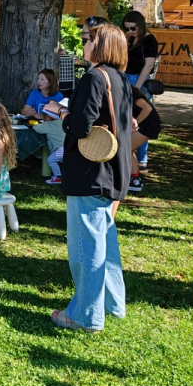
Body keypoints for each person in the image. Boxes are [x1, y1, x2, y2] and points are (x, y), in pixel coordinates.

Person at [45, 20, 132, 332]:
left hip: (90, 172)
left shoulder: (95, 77)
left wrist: (61, 112)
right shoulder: (119, 78)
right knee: (104, 240)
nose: (83, 44)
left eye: (87, 39)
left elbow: (81, 126)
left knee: (86, 247)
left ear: (101, 45)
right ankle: (112, 304)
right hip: (112, 170)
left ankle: (85, 315)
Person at [123, 10, 159, 168]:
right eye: (127, 28)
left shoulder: (149, 40)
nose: (130, 31)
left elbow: (148, 65)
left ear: (141, 25)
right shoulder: (130, 38)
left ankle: (142, 158)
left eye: (133, 28)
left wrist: (138, 85)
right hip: (126, 77)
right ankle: (130, 156)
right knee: (128, 118)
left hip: (139, 79)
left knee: (142, 120)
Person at [128, 86, 161, 193]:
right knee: (129, 149)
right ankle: (134, 177)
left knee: (127, 149)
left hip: (148, 125)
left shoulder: (133, 95)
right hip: (144, 124)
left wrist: (135, 123)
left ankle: (135, 180)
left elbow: (148, 108)